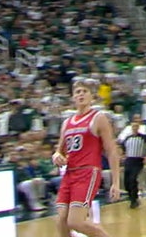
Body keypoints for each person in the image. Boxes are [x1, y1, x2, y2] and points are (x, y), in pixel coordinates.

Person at [52, 80, 121, 237]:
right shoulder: (67, 123)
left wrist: (116, 182)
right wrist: (57, 156)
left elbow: (111, 151)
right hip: (69, 173)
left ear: (92, 97)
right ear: (73, 98)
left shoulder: (98, 117)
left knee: (76, 222)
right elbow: (60, 151)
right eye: (77, 92)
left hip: (88, 172)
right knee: (61, 221)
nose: (81, 94)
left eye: (84, 91)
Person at [118, 115, 146, 209]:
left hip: (138, 160)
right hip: (129, 159)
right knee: (126, 180)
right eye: (133, 126)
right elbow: (122, 148)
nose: (135, 128)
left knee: (133, 178)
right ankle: (131, 196)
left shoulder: (144, 138)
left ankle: (134, 199)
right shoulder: (127, 138)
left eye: (136, 126)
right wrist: (122, 156)